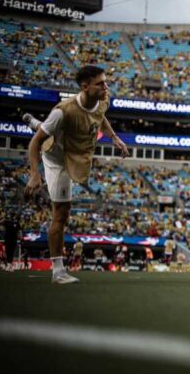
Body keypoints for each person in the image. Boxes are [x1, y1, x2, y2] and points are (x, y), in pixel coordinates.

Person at [23, 65, 129, 284]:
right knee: (62, 212)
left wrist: (114, 138)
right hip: (57, 159)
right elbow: (35, 143)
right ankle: (58, 271)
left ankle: (35, 123)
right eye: (100, 83)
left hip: (75, 151)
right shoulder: (64, 110)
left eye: (105, 82)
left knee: (49, 129)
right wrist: (34, 174)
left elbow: (100, 117)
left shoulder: (101, 100)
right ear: (85, 87)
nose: (105, 87)